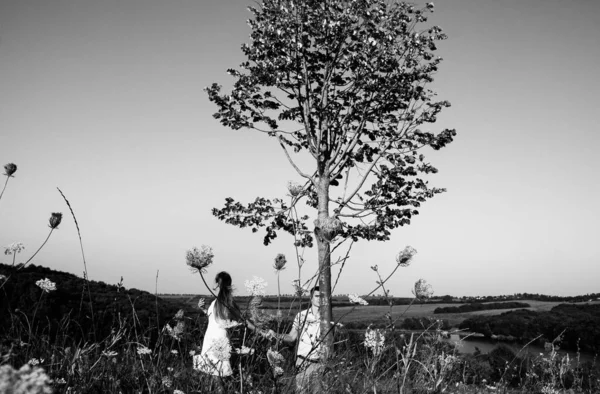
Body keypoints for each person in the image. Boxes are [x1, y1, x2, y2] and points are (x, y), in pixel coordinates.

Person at [194, 271, 266, 392]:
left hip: (219, 342)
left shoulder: (227, 302)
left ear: (217, 284)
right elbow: (214, 319)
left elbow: (244, 321)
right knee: (211, 378)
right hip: (210, 340)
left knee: (218, 380)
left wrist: (260, 332)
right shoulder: (215, 302)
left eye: (215, 282)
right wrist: (203, 309)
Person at [276, 286, 324, 394]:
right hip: (303, 361)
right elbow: (292, 337)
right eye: (316, 296)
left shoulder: (326, 318)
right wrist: (276, 334)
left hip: (319, 363)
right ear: (311, 298)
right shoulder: (301, 315)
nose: (319, 299)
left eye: (321, 296)